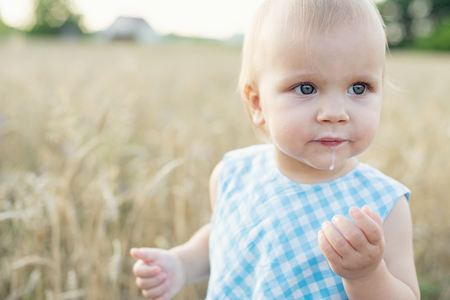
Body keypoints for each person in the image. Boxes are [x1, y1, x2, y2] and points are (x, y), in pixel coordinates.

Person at [130, 0, 421, 299]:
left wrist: (368, 275)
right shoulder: (233, 174)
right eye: (306, 88)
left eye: (359, 88)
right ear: (257, 104)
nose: (335, 113)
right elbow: (227, 238)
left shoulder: (383, 205)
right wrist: (182, 263)